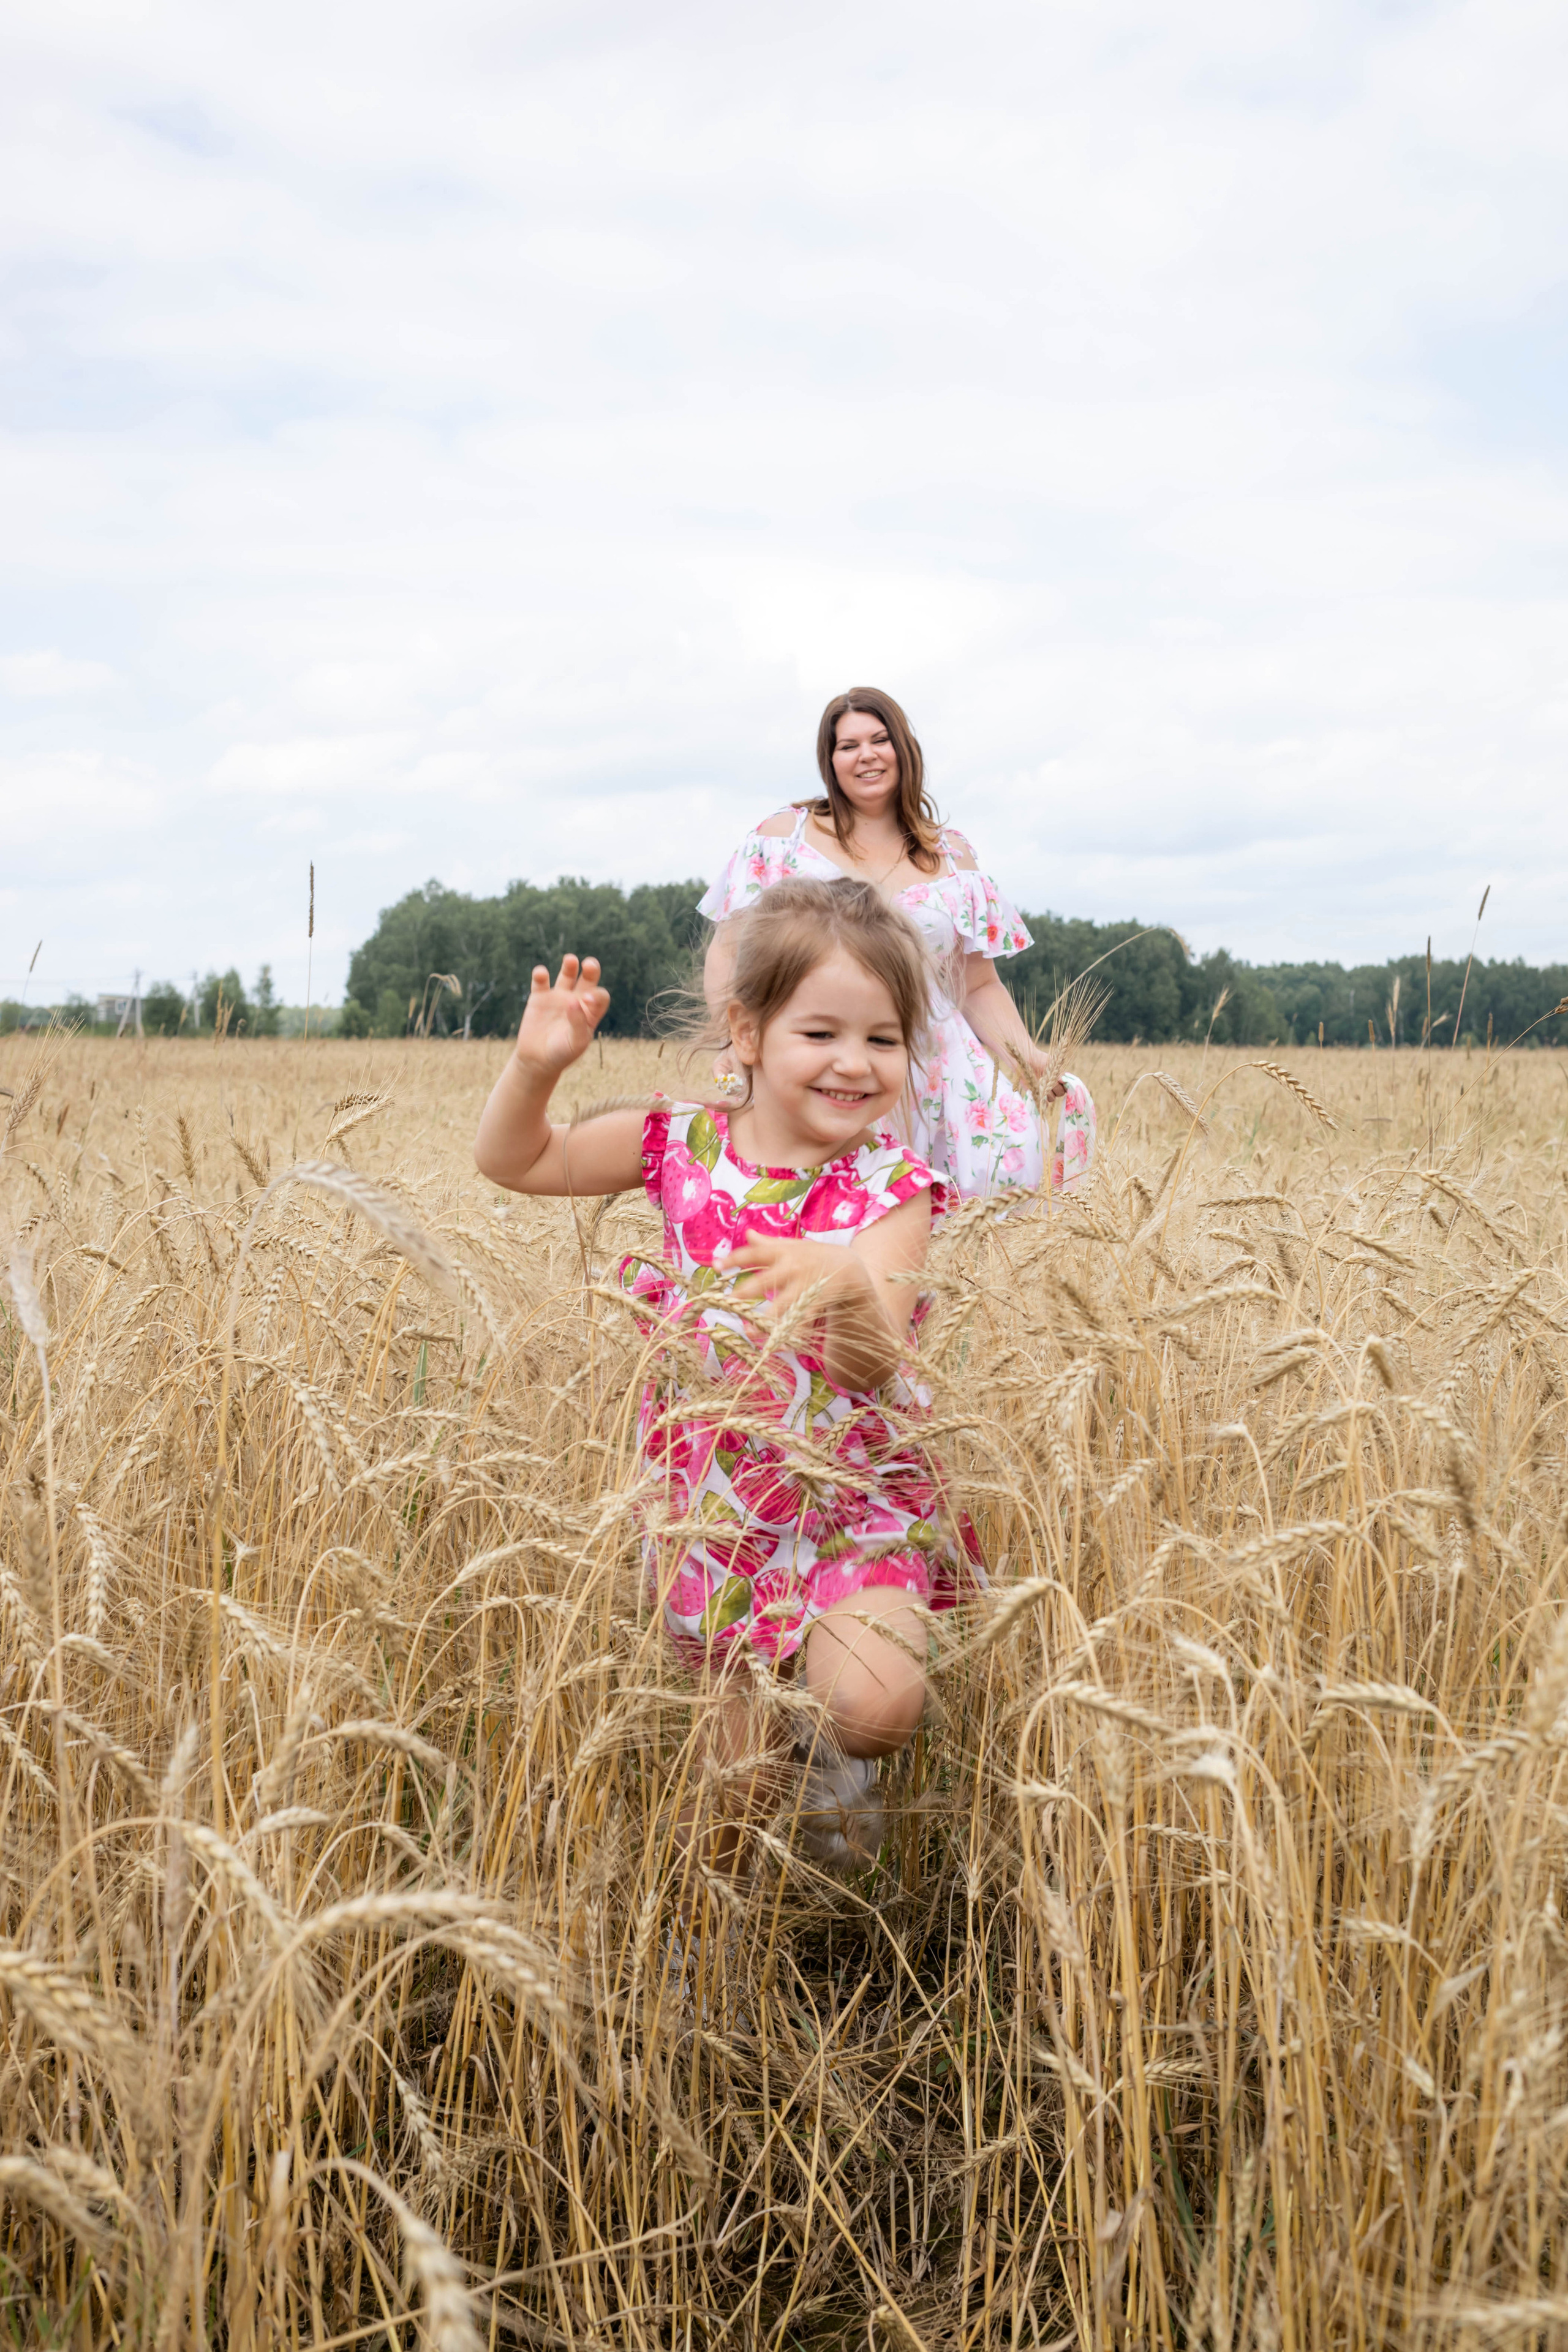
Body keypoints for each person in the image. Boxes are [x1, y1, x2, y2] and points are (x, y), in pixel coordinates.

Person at [473, 876, 979, 1871]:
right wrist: (535, 1071)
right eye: (821, 1033)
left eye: (882, 1040)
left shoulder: (892, 1191)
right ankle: (724, 1945)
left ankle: (840, 1766)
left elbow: (879, 1353)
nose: (854, 1063)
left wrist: (838, 1288)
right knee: (733, 1797)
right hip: (717, 1508)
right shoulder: (681, 1144)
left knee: (874, 1708)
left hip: (851, 1500)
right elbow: (516, 1161)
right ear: (747, 1034)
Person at [700, 685, 1095, 1200]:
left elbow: (975, 985)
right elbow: (729, 951)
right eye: (848, 745)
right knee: (836, 1205)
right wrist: (736, 1042)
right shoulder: (783, 839)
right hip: (827, 1055)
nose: (866, 755)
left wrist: (1029, 1057)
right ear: (830, 760)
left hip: (941, 1068)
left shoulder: (952, 857)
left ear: (903, 750)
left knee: (990, 1192)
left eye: (880, 739)